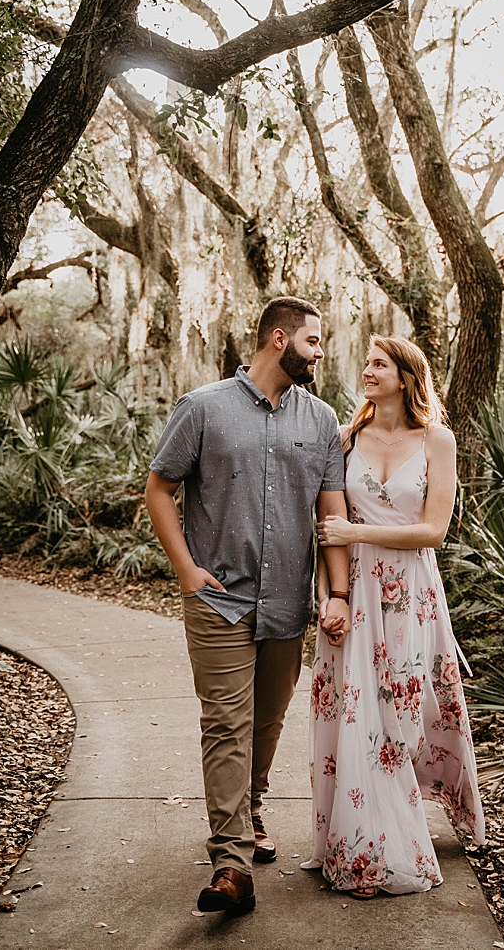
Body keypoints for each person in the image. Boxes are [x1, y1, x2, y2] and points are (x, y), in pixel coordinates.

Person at [146, 296, 351, 915]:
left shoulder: (321, 421)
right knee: (226, 724)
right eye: (315, 341)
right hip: (219, 599)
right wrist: (186, 570)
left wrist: (336, 594)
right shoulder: (203, 408)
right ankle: (231, 862)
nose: (322, 353)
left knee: (265, 720)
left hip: (288, 599)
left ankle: (253, 807)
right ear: (281, 340)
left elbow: (332, 513)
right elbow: (159, 488)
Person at [304, 336, 484, 896]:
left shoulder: (437, 440)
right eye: (367, 362)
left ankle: (438, 801)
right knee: (358, 709)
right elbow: (326, 525)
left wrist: (358, 532)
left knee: (400, 706)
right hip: (354, 588)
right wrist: (329, 596)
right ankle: (362, 839)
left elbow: (434, 531)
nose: (367, 370)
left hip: (410, 591)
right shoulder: (343, 439)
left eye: (379, 364)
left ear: (407, 377)